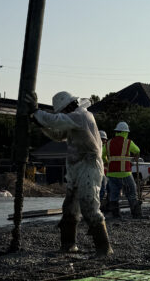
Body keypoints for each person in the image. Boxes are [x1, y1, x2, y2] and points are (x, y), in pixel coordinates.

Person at [33, 91, 112, 255]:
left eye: (62, 111)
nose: (61, 113)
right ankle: (68, 245)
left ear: (68, 107)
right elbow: (58, 135)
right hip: (77, 166)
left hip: (89, 165)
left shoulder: (81, 116)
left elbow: (56, 120)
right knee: (69, 207)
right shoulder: (73, 119)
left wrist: (36, 112)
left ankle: (104, 248)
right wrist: (41, 125)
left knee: (89, 205)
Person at [106, 121, 142, 218]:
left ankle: (115, 214)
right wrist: (134, 157)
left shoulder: (108, 143)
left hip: (111, 174)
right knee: (132, 192)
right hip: (124, 173)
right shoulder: (128, 142)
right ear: (125, 132)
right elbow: (137, 150)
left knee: (114, 195)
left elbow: (101, 154)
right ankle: (136, 214)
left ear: (117, 131)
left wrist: (107, 161)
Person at [99, 129, 108, 211]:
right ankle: (99, 204)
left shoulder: (102, 147)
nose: (104, 141)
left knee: (102, 187)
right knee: (102, 188)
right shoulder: (99, 148)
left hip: (100, 171)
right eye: (103, 139)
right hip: (99, 171)